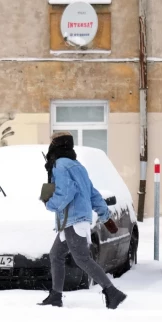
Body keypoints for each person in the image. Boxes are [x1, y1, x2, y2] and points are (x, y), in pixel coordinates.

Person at [38, 132, 128, 309]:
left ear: (56, 145)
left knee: (81, 258)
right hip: (74, 219)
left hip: (73, 218)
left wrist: (49, 203)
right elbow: (93, 193)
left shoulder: (60, 165)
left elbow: (65, 193)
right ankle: (56, 295)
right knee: (56, 254)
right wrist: (104, 215)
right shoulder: (77, 166)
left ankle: (112, 292)